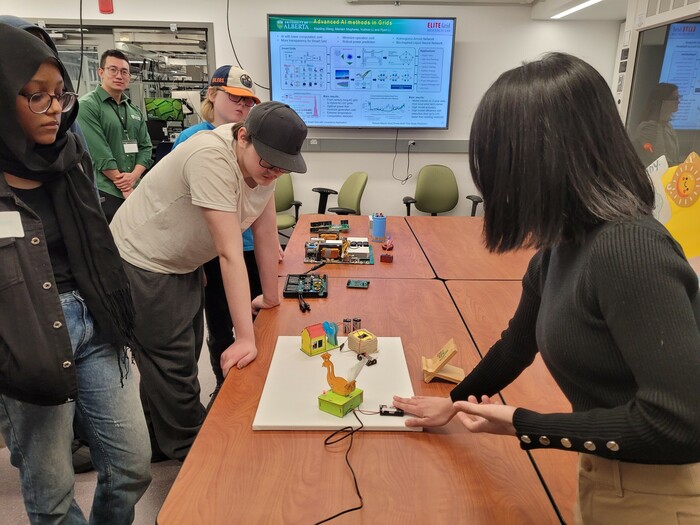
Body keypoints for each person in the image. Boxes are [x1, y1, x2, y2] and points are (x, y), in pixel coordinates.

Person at [393, 52, 700, 524]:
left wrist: (525, 424)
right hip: (611, 470)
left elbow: (681, 423)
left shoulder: (629, 250)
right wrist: (453, 405)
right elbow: (517, 345)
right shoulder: (562, 248)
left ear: (544, 159)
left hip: (663, 492)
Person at [0, 23, 151, 523]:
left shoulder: (69, 152)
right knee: (52, 492)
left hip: (96, 320)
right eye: (35, 97)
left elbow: (97, 243)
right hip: (28, 337)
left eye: (59, 96)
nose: (53, 110)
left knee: (131, 465)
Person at [110, 101, 307, 461]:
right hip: (144, 261)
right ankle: (193, 454)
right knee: (174, 362)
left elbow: (265, 234)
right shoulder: (211, 158)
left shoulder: (265, 167)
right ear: (244, 137)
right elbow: (231, 253)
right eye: (269, 163)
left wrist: (271, 297)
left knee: (172, 354)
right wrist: (245, 337)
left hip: (181, 261)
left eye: (283, 167)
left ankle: (156, 441)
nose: (274, 173)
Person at [171, 65, 268, 400]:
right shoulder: (194, 140)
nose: (243, 106)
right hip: (212, 255)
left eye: (249, 102)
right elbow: (184, 210)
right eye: (236, 98)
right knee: (221, 325)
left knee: (257, 322)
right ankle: (226, 391)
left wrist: (272, 251)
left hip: (249, 250)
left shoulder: (257, 144)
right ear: (212, 94)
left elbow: (261, 203)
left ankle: (256, 389)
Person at [77, 49, 153, 222]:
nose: (119, 75)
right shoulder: (87, 106)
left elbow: (146, 147)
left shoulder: (134, 110)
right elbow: (100, 153)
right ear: (101, 72)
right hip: (106, 190)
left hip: (135, 188)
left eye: (124, 71)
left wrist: (134, 176)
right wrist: (124, 186)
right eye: (113, 70)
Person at [632, 82, 681, 168]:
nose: (678, 102)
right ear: (661, 102)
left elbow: (674, 158)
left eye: (678, 98)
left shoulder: (667, 126)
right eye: (674, 98)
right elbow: (660, 160)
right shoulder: (648, 128)